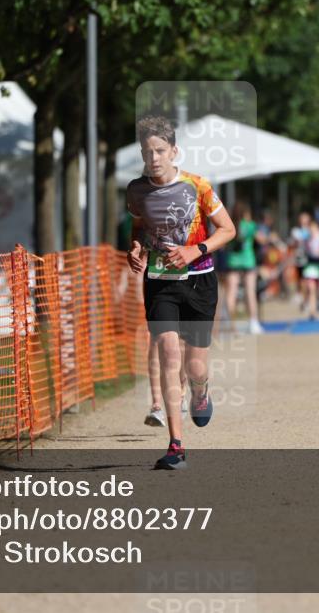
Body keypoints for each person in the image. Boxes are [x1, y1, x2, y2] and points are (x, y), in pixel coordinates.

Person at [126, 115, 236, 470]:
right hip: (160, 283)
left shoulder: (199, 186)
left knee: (195, 366)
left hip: (199, 281)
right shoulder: (137, 190)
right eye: (147, 152)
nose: (154, 158)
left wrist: (196, 250)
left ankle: (201, 391)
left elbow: (227, 230)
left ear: (174, 151)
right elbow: (140, 225)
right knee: (169, 356)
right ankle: (176, 445)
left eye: (159, 150)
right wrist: (136, 248)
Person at [224, 203, 264, 334]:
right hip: (248, 261)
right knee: (250, 292)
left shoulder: (229, 225)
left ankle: (232, 325)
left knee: (231, 294)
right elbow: (261, 239)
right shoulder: (250, 225)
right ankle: (253, 322)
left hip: (233, 262)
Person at [300, 213, 319, 320]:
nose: (312, 230)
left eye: (314, 228)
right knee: (311, 288)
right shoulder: (306, 236)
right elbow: (299, 236)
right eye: (310, 228)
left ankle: (318, 301)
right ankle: (312, 312)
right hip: (310, 264)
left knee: (318, 289)